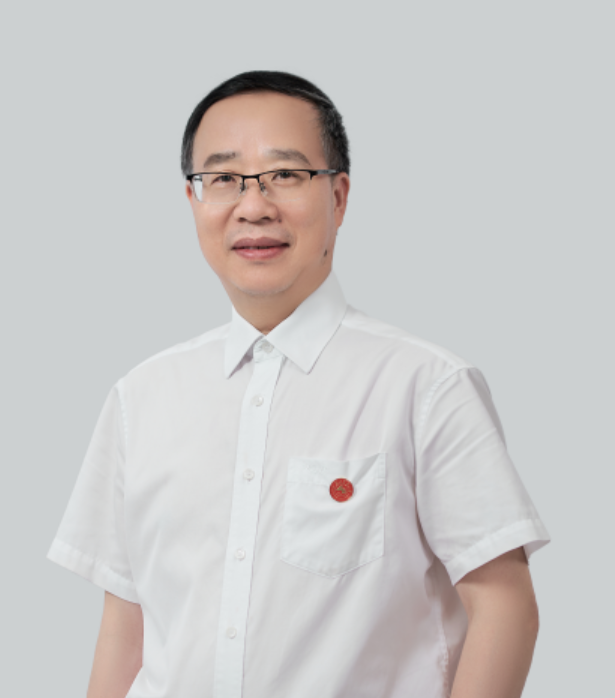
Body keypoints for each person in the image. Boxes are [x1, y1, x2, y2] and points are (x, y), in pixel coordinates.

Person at [47, 70, 550, 698]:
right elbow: (126, 627)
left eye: (285, 174)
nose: (253, 205)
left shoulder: (426, 387)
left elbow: (505, 608)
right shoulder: (141, 396)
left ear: (339, 196)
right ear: (194, 200)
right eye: (223, 179)